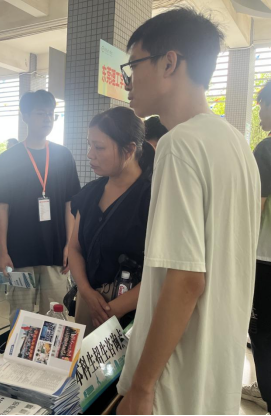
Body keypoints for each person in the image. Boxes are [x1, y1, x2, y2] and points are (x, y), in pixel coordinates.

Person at [116, 9, 260, 416]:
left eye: (133, 65)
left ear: (169, 63)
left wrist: (142, 386)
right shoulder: (237, 145)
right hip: (216, 373)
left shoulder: (179, 145)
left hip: (174, 380)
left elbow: (186, 280)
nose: (128, 81)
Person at [0, 90, 81, 323]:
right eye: (41, 113)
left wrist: (70, 245)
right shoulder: (8, 159)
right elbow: (1, 208)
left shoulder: (63, 156)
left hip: (56, 251)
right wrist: (2, 251)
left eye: (51, 114)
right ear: (26, 117)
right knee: (22, 318)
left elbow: (70, 204)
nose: (48, 119)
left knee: (56, 317)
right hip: (19, 253)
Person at [69, 107, 153, 337]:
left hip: (134, 314)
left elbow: (160, 271)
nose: (90, 154)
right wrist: (86, 292)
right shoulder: (90, 193)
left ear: (129, 150)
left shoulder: (152, 198)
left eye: (99, 147)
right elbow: (74, 248)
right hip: (90, 304)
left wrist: (113, 309)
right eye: (89, 145)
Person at [243, 80, 271, 413]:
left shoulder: (266, 150)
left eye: (263, 104)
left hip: (265, 261)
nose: (261, 111)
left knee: (262, 334)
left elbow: (255, 210)